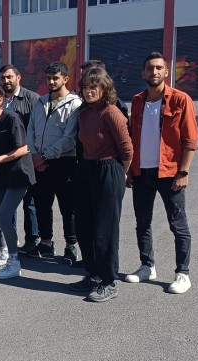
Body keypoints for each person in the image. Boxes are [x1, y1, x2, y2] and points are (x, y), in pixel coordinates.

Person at [125, 52, 198, 294]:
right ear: (143, 73)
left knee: (178, 225)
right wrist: (129, 170)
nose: (154, 72)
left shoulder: (180, 99)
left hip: (170, 172)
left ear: (166, 72)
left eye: (158, 68)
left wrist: (183, 171)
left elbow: (190, 140)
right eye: (149, 68)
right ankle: (147, 266)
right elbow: (132, 137)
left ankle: (182, 273)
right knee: (142, 222)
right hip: (141, 172)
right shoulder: (137, 100)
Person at [67, 67, 132, 302]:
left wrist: (119, 174)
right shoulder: (84, 114)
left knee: (105, 231)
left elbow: (127, 149)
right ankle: (93, 275)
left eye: (94, 86)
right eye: (85, 86)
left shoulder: (111, 112)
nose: (89, 91)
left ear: (105, 88)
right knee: (84, 227)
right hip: (86, 169)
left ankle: (108, 281)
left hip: (108, 170)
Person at [0, 84, 36, 280]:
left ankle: (14, 262)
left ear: (0, 100)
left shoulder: (12, 118)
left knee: (3, 217)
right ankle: (2, 254)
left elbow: (23, 148)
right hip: (0, 176)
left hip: (18, 175)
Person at [26, 62, 82, 265]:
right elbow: (30, 130)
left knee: (68, 207)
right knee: (42, 204)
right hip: (39, 162)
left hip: (63, 162)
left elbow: (69, 138)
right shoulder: (40, 102)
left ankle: (71, 246)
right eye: (48, 78)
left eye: (55, 78)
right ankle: (47, 242)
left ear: (65, 79)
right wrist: (34, 156)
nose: (51, 81)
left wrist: (45, 156)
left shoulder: (75, 104)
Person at [0, 64, 40, 254]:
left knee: (29, 203)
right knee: (8, 204)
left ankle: (33, 240)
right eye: (3, 78)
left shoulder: (32, 99)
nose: (6, 81)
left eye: (9, 77)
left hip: (27, 158)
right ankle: (10, 240)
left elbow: (38, 129)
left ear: (18, 77)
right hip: (6, 159)